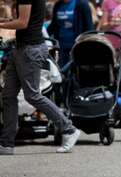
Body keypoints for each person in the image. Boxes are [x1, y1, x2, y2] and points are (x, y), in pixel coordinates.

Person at [0, 0, 81, 155]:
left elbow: (23, 23)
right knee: (8, 95)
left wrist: (2, 25)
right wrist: (4, 21)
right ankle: (6, 143)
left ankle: (69, 129)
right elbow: (26, 20)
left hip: (30, 50)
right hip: (21, 49)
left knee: (33, 95)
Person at [48, 0, 94, 67]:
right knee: (62, 70)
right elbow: (53, 25)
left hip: (77, 46)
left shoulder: (82, 4)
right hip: (61, 47)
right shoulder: (57, 5)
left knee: (77, 70)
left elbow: (89, 27)